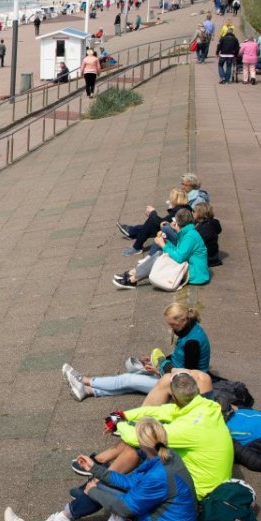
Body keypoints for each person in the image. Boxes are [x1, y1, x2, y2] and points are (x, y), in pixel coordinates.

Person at [3, 418, 197, 521]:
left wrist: (93, 491)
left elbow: (125, 508)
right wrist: (95, 470)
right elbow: (131, 481)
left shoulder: (158, 475)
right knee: (101, 486)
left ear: (141, 442)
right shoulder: (167, 457)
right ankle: (64, 517)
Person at [77, 373, 232, 503]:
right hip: (207, 481)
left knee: (141, 450)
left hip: (198, 493)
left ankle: (93, 494)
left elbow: (135, 438)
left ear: (175, 398)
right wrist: (121, 415)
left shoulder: (188, 428)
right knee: (144, 454)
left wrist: (119, 424)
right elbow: (160, 412)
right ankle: (98, 484)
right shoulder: (205, 406)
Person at [62, 303, 209, 400]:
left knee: (129, 379)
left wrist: (159, 370)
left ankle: (84, 380)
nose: (171, 328)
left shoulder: (192, 343)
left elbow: (187, 376)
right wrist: (156, 362)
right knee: (134, 373)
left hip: (183, 388)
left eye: (172, 325)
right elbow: (180, 360)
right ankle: (89, 391)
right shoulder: (190, 330)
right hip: (173, 374)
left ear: (183, 320)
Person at [113, 207, 209, 289]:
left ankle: (133, 278)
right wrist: (166, 242)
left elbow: (179, 257)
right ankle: (133, 274)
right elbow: (179, 251)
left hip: (195, 275)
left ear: (178, 223)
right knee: (160, 253)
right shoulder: (187, 232)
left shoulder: (189, 236)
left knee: (160, 255)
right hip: (191, 268)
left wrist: (163, 245)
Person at [117, 187, 188, 255]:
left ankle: (135, 245)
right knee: (150, 224)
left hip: (178, 238)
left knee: (151, 222)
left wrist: (153, 212)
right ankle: (132, 233)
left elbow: (161, 223)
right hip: (177, 232)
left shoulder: (178, 211)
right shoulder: (184, 208)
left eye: (171, 198)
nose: (170, 199)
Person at [192, 202, 221, 268]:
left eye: (194, 211)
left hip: (206, 258)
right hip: (211, 255)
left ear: (200, 213)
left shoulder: (206, 228)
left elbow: (194, 242)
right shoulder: (210, 223)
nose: (192, 212)